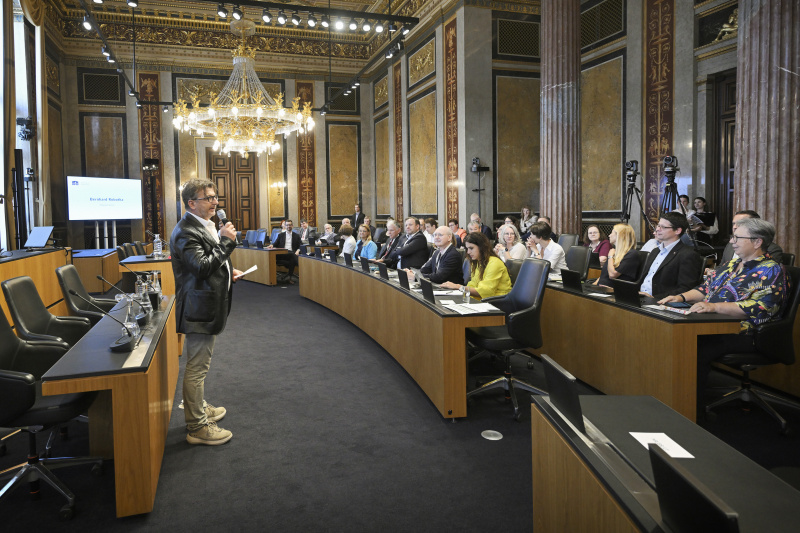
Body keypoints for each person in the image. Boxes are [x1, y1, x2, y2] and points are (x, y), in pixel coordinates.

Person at [658, 217, 788, 408]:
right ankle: (665, 397)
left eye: (737, 237)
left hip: (746, 332)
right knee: (673, 336)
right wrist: (680, 298)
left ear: (757, 242)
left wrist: (714, 307)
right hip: (711, 324)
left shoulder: (771, 270)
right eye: (732, 236)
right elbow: (705, 289)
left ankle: (692, 409)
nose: (731, 241)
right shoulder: (731, 265)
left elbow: (759, 307)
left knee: (694, 347)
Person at [170, 178, 244, 445]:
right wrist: (226, 243)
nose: (215, 202)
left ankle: (198, 407)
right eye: (208, 198)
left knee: (200, 366)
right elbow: (201, 267)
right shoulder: (185, 231)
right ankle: (197, 427)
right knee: (197, 368)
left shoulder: (204, 225)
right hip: (198, 309)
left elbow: (209, 263)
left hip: (206, 303)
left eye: (215, 197)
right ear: (191, 203)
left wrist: (227, 271)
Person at [639, 212, 704, 299]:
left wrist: (653, 298)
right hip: (640, 298)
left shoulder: (688, 254)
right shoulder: (655, 251)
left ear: (677, 231)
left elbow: (686, 289)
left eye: (663, 227)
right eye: (658, 226)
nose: (657, 229)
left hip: (661, 302)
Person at [441, 233, 511, 300]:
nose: (468, 252)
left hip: (497, 302)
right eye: (467, 248)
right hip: (483, 300)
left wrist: (458, 287)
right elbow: (473, 284)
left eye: (471, 248)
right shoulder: (478, 262)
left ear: (482, 247)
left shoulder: (494, 263)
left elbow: (485, 291)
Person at [717, 210, 783, 266]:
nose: (735, 227)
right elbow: (721, 268)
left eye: (740, 224)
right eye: (733, 224)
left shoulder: (770, 268)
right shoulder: (733, 254)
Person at [268, 219, 301, 283]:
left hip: (292, 253)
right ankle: (301, 265)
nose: (289, 226)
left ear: (292, 226)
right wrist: (271, 245)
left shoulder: (296, 236)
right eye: (287, 225)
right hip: (282, 253)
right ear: (285, 226)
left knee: (292, 258)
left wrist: (298, 250)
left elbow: (300, 245)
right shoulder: (281, 235)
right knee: (293, 256)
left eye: (290, 225)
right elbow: (275, 244)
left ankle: (289, 277)